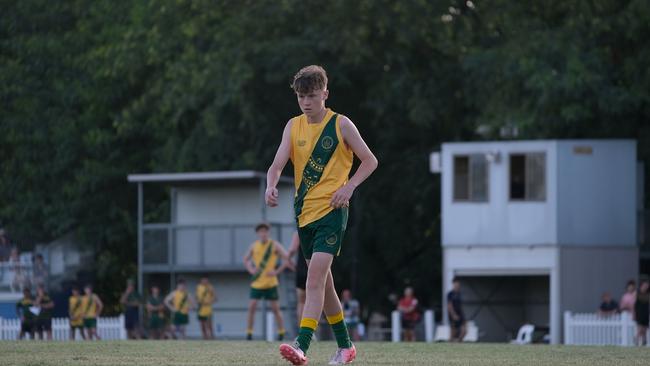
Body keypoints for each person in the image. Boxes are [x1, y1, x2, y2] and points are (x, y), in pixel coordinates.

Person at [269, 65, 378, 365]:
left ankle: (302, 345)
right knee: (324, 283)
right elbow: (277, 163)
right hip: (304, 214)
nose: (306, 102)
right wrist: (271, 185)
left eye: (312, 96)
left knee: (313, 280)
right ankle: (346, 347)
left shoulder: (342, 125)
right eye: (301, 96)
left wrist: (350, 187)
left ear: (325, 94)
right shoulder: (293, 126)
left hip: (332, 212)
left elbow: (370, 161)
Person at [243, 223, 290, 341]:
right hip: (257, 282)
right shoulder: (254, 246)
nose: (263, 233)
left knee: (275, 309)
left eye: (265, 231)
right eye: (261, 231)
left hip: (270, 282)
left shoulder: (274, 245)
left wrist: (277, 271)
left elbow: (287, 258)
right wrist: (251, 269)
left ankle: (281, 332)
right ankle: (249, 333)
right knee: (252, 307)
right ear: (257, 233)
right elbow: (245, 259)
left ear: (268, 232)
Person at [287, 232, 307, 325]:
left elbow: (292, 250)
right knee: (316, 301)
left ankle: (303, 331)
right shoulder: (319, 228)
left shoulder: (300, 231)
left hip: (302, 270)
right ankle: (313, 332)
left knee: (301, 302)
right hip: (316, 269)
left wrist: (289, 261)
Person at [634, 279, 649, 346]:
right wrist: (633, 313)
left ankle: (644, 342)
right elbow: (633, 304)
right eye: (645, 285)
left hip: (646, 313)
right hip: (639, 313)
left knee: (645, 329)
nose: (646, 286)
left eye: (647, 285)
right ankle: (636, 339)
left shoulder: (648, 294)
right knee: (640, 329)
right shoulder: (636, 293)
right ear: (641, 286)